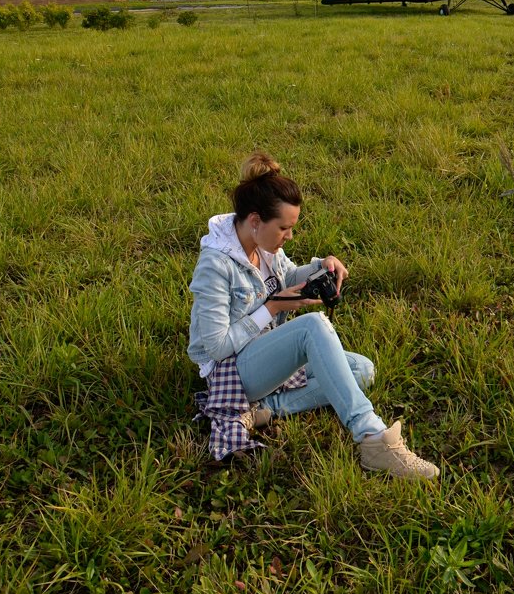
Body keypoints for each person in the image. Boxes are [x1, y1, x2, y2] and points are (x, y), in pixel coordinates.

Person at [187, 151, 438, 479]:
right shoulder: (215, 266)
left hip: (263, 355)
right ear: (254, 221)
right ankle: (372, 438)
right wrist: (273, 307)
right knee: (312, 327)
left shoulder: (264, 244)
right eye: (284, 228)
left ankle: (265, 410)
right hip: (230, 372)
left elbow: (289, 277)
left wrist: (321, 266)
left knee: (363, 370)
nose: (289, 236)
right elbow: (218, 347)